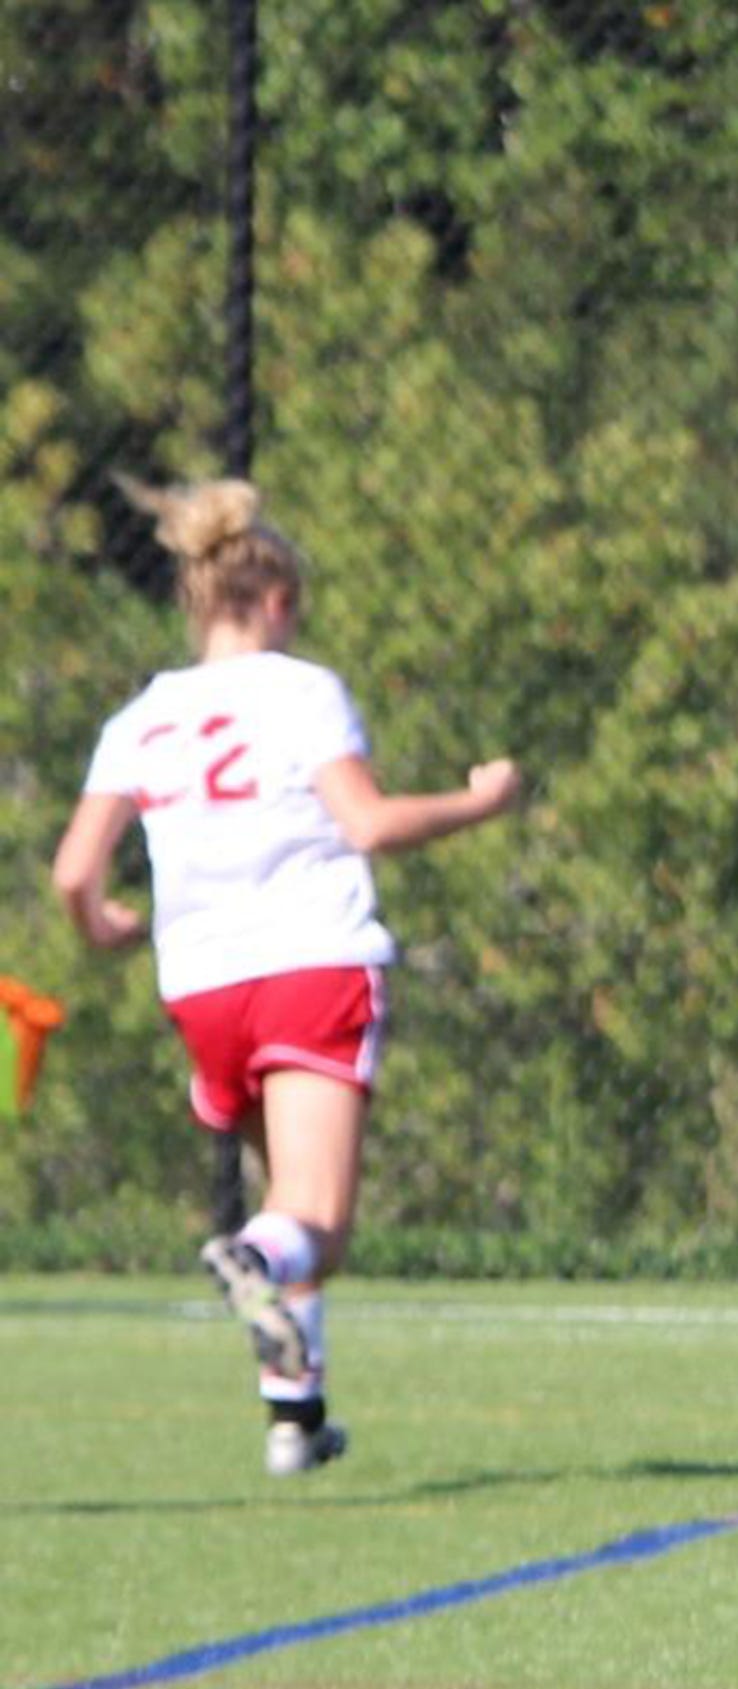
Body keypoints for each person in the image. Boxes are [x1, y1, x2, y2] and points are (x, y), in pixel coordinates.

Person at [50, 476, 520, 1476]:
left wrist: (103, 928)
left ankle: (294, 1418)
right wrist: (482, 803)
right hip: (309, 961)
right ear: (274, 602)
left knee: (283, 1187)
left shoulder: (145, 716)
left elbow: (72, 872)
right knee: (317, 1224)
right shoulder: (302, 690)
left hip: (203, 984)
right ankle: (252, 1263)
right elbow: (369, 825)